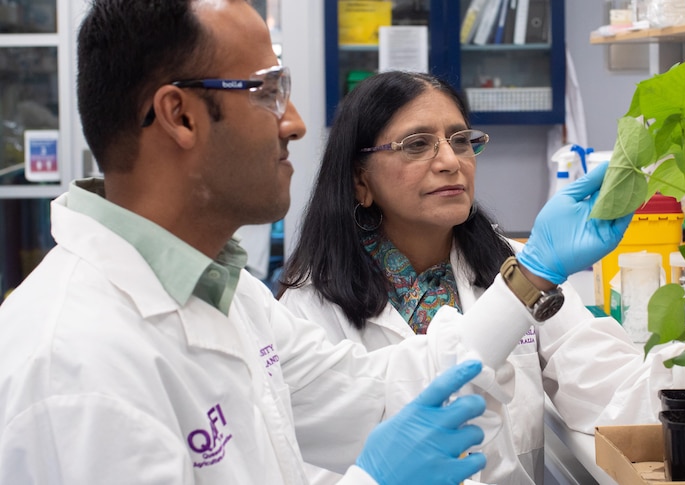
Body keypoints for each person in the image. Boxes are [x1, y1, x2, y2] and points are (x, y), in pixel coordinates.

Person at [0, 1, 633, 484]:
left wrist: (533, 273)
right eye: (268, 92)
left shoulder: (232, 298)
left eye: (460, 140)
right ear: (180, 116)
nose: (296, 124)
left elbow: (386, 385)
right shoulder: (76, 361)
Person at [277, 71, 685, 485]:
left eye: (460, 139)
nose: (450, 161)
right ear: (360, 180)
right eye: (417, 144)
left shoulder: (516, 266)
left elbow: (609, 394)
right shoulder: (309, 307)